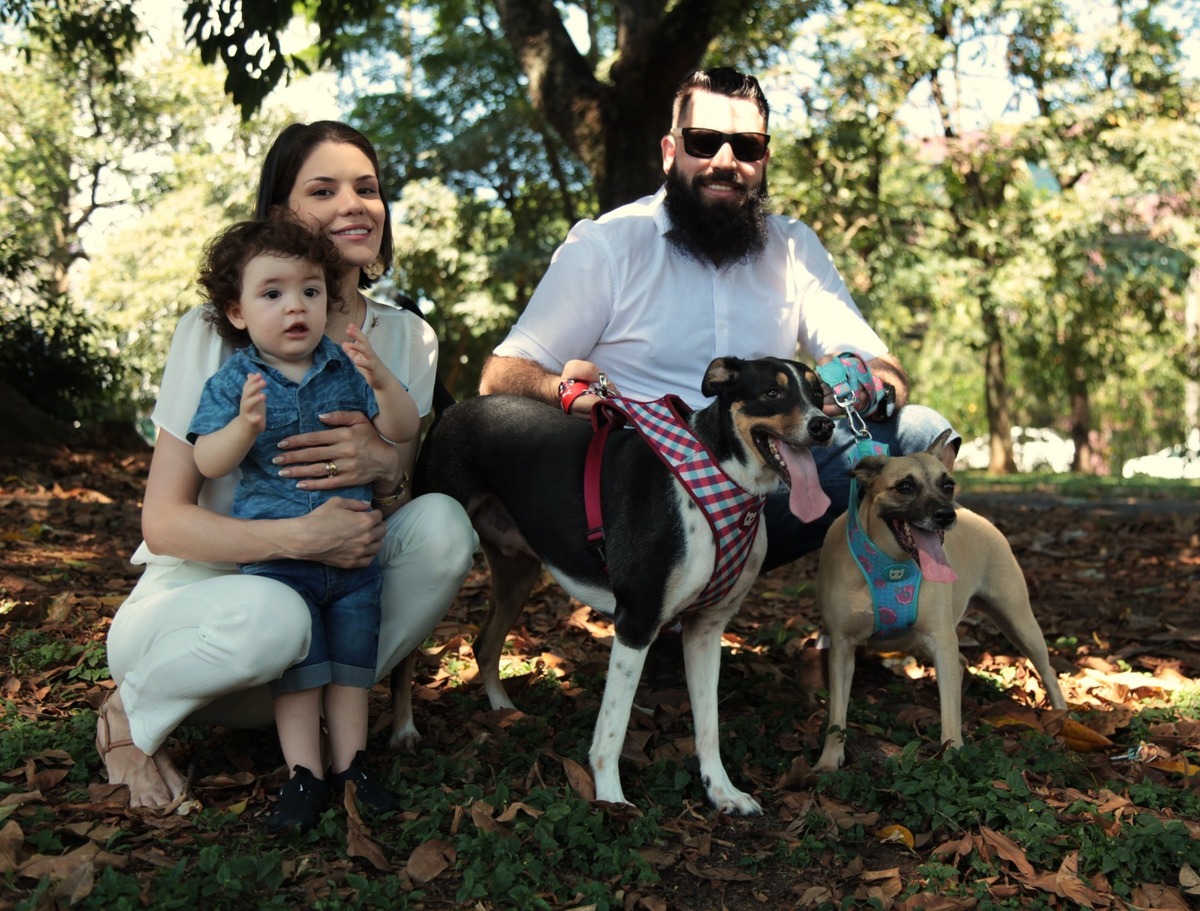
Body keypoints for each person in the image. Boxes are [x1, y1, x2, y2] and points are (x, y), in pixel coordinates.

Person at [97, 121, 477, 819]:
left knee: (444, 526)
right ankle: (130, 711)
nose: (354, 204)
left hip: (323, 604)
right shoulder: (215, 330)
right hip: (207, 614)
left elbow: (385, 512)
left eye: (367, 188)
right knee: (277, 614)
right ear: (281, 215)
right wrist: (294, 539)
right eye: (323, 190)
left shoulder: (406, 338)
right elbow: (164, 521)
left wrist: (385, 467)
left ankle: (336, 722)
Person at [479, 67, 959, 571]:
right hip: (641, 497)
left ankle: (887, 606)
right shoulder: (605, 246)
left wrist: (851, 386)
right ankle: (654, 599)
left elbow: (885, 370)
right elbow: (500, 376)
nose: (725, 162)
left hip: (760, 488)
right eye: (704, 142)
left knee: (920, 433)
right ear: (670, 152)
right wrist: (564, 392)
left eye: (746, 147)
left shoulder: (794, 248)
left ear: (764, 160)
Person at [187, 218, 420, 831]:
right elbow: (207, 460)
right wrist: (243, 428)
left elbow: (401, 428)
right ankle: (303, 775)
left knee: (350, 669)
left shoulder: (344, 367)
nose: (296, 306)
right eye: (273, 293)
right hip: (281, 566)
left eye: (310, 291)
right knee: (300, 674)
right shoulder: (237, 381)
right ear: (237, 312)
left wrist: (383, 379)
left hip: (354, 559)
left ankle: (352, 767)